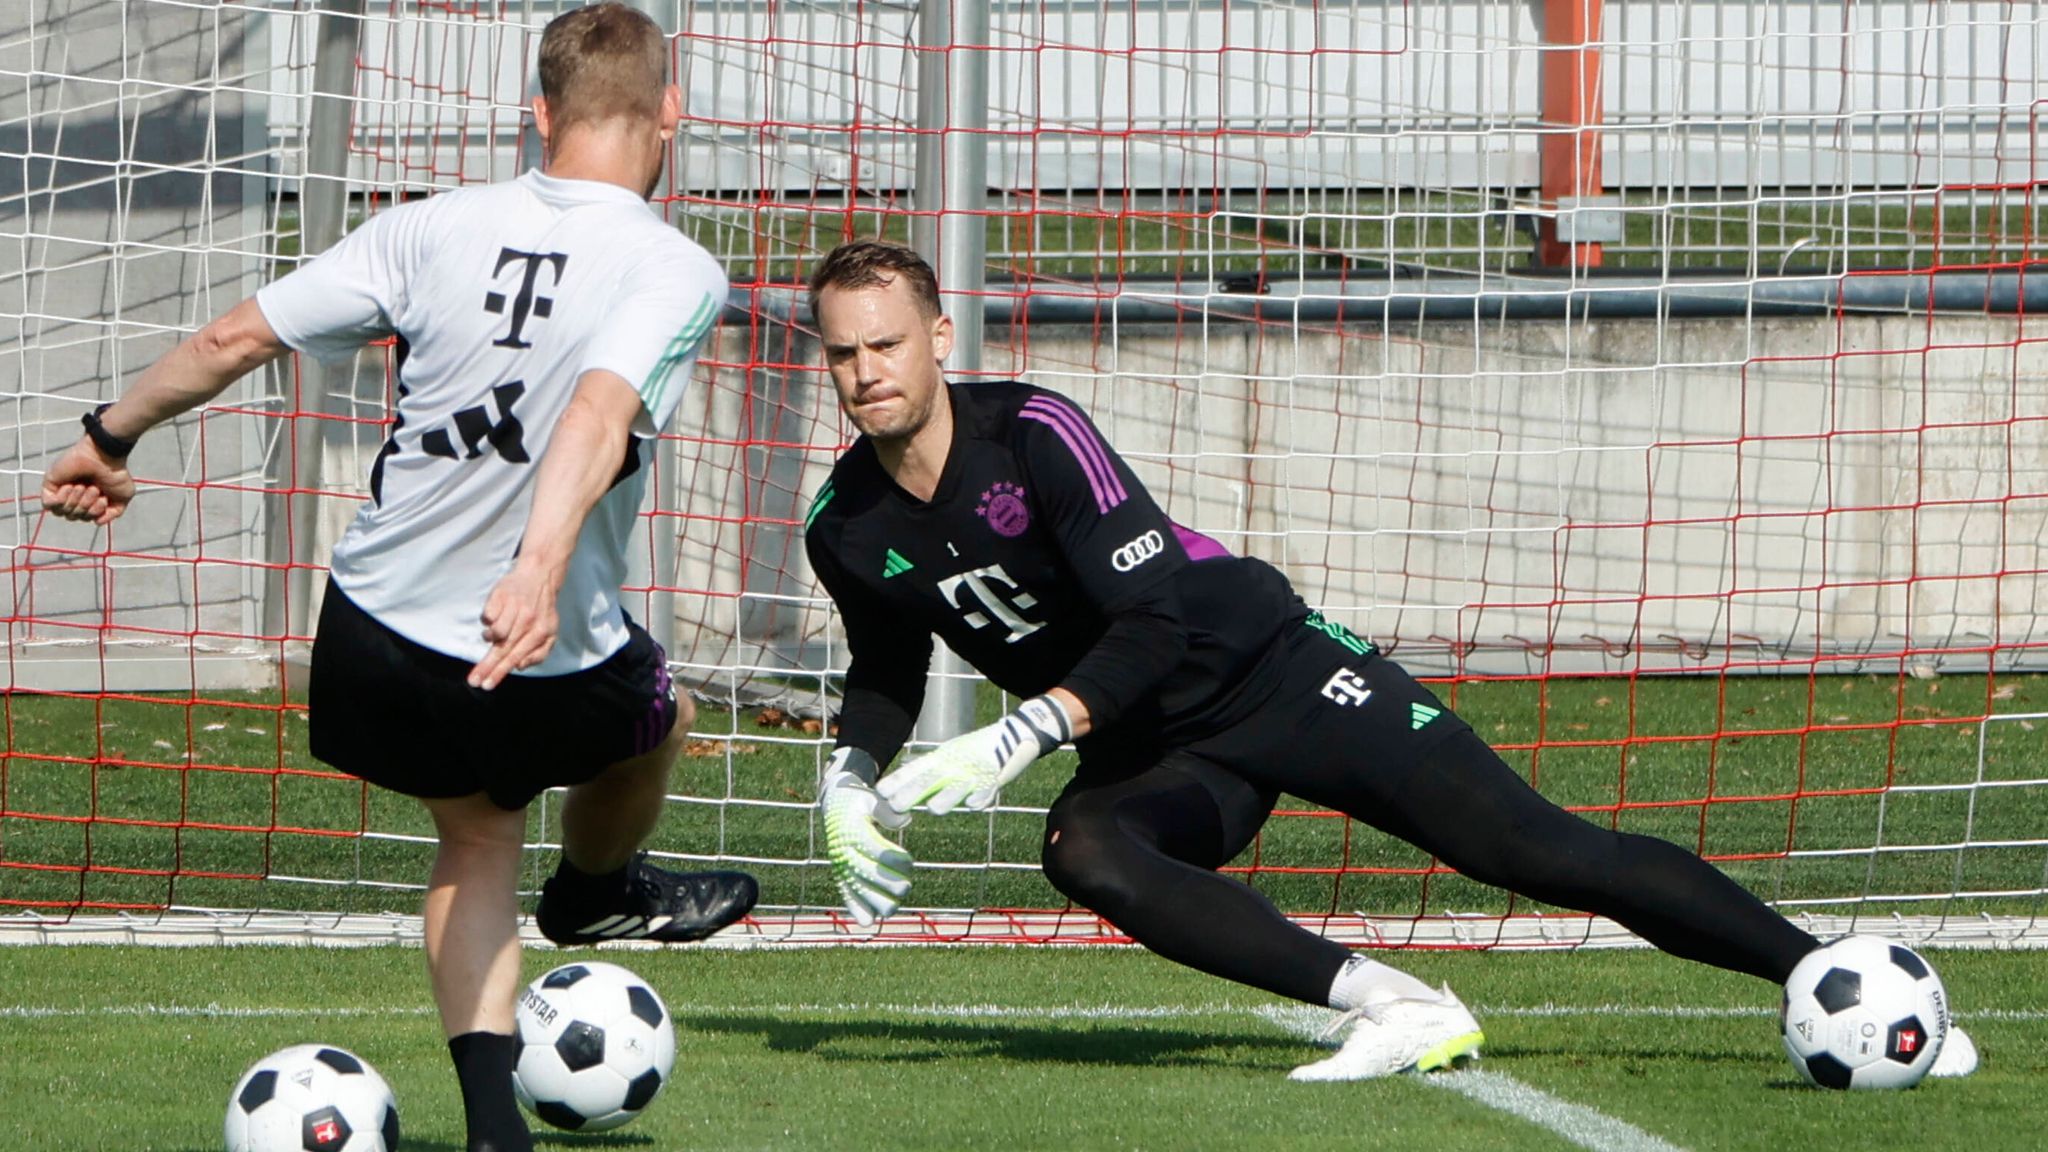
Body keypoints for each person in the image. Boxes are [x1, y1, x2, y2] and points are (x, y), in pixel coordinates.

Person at [801, 239, 1979, 1082]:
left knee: (1525, 846)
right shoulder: (843, 524)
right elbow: (885, 669)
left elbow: (1157, 617)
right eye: (845, 353)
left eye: (889, 342)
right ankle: (1395, 1006)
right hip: (1157, 745)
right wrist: (848, 777)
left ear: (939, 336)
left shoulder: (1035, 435)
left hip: (1274, 670)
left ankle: (1830, 971)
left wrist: (1027, 727)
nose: (869, 372)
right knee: (1087, 848)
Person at [40, 6, 757, 1148]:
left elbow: (234, 337)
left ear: (538, 114)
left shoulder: (428, 225)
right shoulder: (672, 268)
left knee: (475, 837)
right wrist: (533, 570)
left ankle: (492, 1127)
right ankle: (597, 889)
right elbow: (597, 408)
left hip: (369, 632)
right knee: (655, 719)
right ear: (672, 112)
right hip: (530, 647)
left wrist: (109, 436)